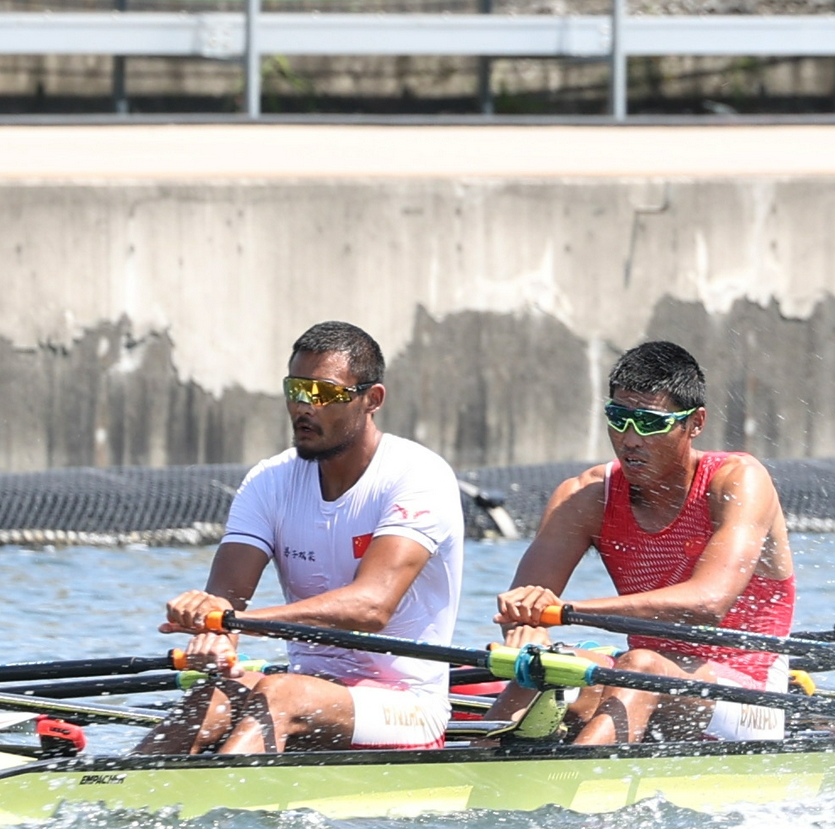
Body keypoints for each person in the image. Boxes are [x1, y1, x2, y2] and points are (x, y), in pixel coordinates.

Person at [139, 321, 464, 754]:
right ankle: (114, 806)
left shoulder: (417, 475)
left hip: (406, 707)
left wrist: (237, 622)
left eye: (324, 394)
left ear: (372, 399)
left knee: (281, 694)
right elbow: (226, 605)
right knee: (208, 700)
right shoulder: (268, 481)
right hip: (305, 689)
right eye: (295, 390)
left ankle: (216, 814)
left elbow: (371, 607)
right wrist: (212, 629)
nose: (303, 407)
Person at [488, 341, 796, 744]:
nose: (630, 439)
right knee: (548, 663)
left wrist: (561, 612)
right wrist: (526, 628)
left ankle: (577, 795)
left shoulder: (738, 481)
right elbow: (526, 608)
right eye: (618, 418)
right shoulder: (585, 496)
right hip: (647, 676)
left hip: (748, 690)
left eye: (650, 423)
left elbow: (707, 603)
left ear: (695, 423)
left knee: (641, 666)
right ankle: (469, 770)